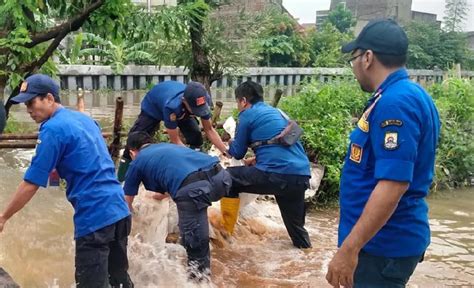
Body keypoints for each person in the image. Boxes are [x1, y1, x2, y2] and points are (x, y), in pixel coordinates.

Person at [325, 19, 440, 288]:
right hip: (383, 244)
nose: (353, 67)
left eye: (353, 57)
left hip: (381, 248)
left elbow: (393, 185)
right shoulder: (403, 95)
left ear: (367, 58)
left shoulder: (395, 102)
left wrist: (349, 250)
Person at [0, 74, 134, 288]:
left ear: (50, 99)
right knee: (119, 281)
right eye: (26, 104)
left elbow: (31, 182)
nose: (29, 110)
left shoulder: (52, 129)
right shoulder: (85, 120)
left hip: (95, 217)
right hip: (119, 211)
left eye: (32, 102)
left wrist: (4, 217)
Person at [123, 131, 232, 279]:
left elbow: (126, 204)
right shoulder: (168, 147)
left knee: (196, 249)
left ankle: (199, 281)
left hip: (194, 190)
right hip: (222, 178)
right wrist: (161, 195)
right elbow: (178, 174)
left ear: (132, 152)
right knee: (189, 231)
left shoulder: (137, 161)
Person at [225, 80, 312, 249]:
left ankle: (226, 233)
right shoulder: (278, 113)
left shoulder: (247, 115)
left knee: (228, 177)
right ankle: (306, 255)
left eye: (237, 102)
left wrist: (231, 141)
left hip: (275, 175)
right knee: (296, 231)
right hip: (300, 176)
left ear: (243, 101)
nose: (238, 106)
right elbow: (278, 147)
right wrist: (256, 160)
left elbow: (237, 153)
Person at [117, 80, 228, 181]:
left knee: (196, 136)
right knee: (133, 141)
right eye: (195, 110)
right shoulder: (172, 107)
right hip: (153, 106)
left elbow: (209, 130)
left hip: (183, 112)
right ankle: (122, 178)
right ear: (184, 101)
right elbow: (176, 141)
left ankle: (198, 169)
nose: (198, 112)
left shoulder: (202, 100)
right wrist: (194, 159)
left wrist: (226, 151)